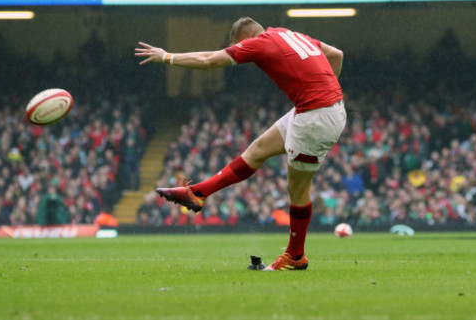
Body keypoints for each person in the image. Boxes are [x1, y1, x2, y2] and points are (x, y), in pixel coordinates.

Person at [135, 17, 346, 270]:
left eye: (237, 49)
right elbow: (336, 54)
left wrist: (166, 56)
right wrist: (322, 91)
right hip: (315, 109)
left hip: (315, 118)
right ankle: (198, 193)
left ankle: (295, 256)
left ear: (243, 40)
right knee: (257, 151)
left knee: (297, 189)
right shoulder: (286, 33)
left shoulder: (257, 43)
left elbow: (208, 60)